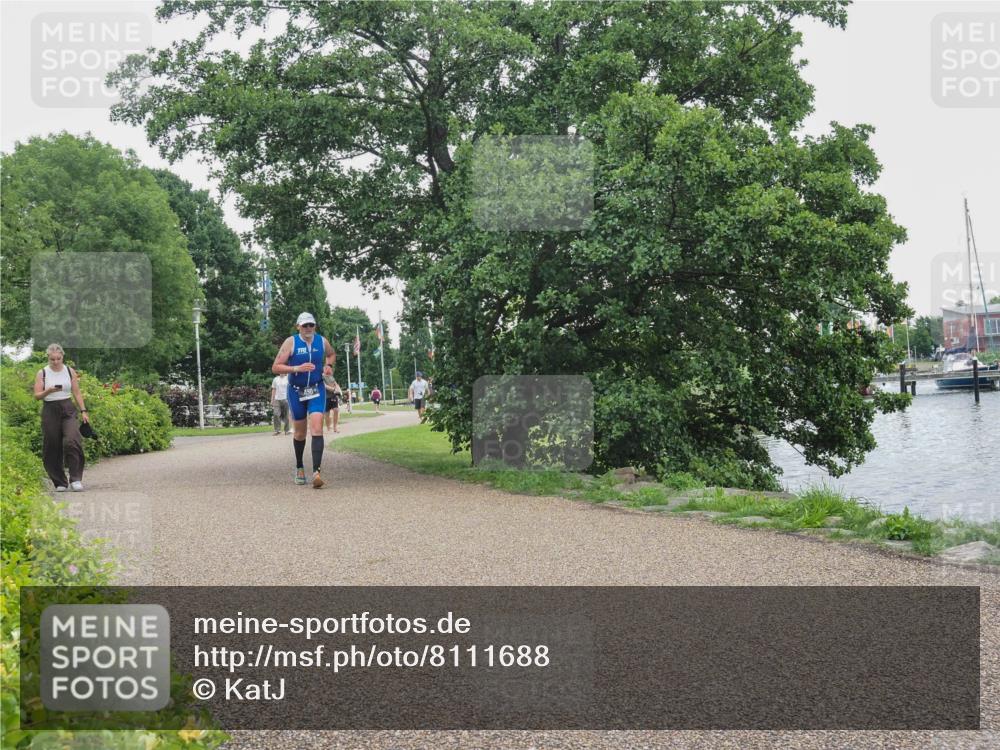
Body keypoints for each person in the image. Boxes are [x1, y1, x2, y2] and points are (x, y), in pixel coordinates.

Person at [272, 312, 337, 488]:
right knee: (300, 433)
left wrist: (328, 366)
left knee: (317, 427)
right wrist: (296, 368)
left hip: (316, 389)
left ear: (315, 326)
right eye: (305, 325)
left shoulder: (321, 341)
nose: (308, 328)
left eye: (311, 325)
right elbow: (276, 367)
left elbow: (331, 354)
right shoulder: (291, 342)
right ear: (298, 327)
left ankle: (317, 472)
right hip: (296, 391)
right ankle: (300, 466)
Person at [33, 343, 89, 492]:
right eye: (52, 359)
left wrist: (83, 410)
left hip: (68, 408)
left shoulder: (69, 371)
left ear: (62, 357)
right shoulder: (42, 373)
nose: (56, 362)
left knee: (72, 440)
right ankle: (60, 482)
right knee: (52, 445)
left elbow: (76, 392)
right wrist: (48, 391)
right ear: (48, 358)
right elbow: (37, 396)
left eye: (58, 358)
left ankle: (76, 479)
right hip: (50, 409)